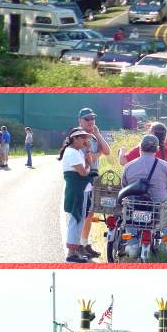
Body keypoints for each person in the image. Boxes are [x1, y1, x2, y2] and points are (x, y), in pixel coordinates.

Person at [120, 134, 167, 254]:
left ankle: (132, 244)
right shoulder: (164, 166)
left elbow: (124, 187)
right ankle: (164, 244)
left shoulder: (129, 166)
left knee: (128, 218)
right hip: (159, 208)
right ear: (157, 149)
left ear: (140, 148)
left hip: (134, 206)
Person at [76, 107, 111, 260]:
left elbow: (108, 151)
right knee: (81, 213)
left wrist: (97, 134)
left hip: (94, 178)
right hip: (82, 178)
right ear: (80, 121)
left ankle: (85, 243)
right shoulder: (77, 136)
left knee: (90, 213)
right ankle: (77, 246)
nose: (90, 121)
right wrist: (98, 154)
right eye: (87, 119)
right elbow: (85, 159)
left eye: (92, 119)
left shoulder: (94, 136)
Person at [59, 127, 94, 264]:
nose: (85, 140)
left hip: (81, 189)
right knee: (75, 219)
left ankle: (74, 251)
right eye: (82, 137)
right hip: (76, 189)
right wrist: (87, 165)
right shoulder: (72, 152)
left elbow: (88, 165)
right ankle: (71, 253)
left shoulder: (78, 151)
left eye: (85, 137)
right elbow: (84, 172)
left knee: (79, 220)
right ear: (74, 139)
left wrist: (88, 152)